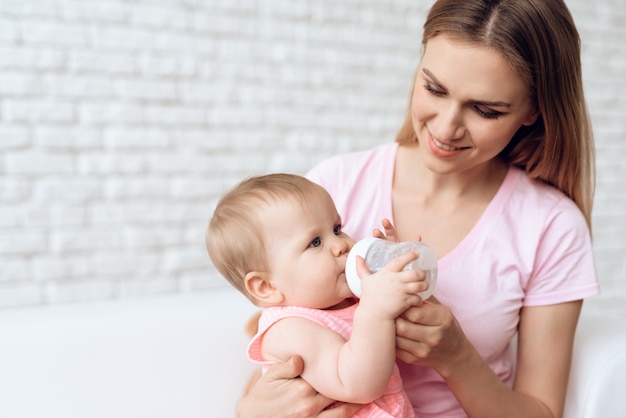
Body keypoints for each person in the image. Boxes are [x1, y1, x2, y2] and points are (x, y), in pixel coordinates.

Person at [236, 0, 600, 417]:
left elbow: (542, 412)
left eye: (486, 110)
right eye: (434, 88)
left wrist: (456, 357)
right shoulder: (330, 190)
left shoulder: (551, 227)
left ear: (535, 110)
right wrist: (252, 410)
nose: (446, 128)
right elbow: (278, 343)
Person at [207, 173, 430, 417]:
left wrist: (389, 269)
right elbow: (357, 384)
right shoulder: (289, 329)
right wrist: (376, 310)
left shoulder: (347, 299)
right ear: (266, 287)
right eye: (315, 242)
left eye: (337, 229)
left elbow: (396, 332)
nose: (340, 245)